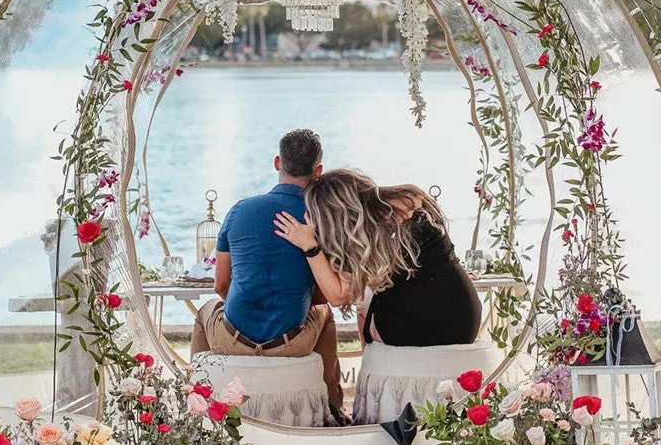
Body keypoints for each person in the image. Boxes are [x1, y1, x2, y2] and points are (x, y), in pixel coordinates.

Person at [190, 128, 346, 422]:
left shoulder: (240, 211)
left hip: (234, 338)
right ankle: (334, 406)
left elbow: (221, 285)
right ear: (319, 172)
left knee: (204, 313)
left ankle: (196, 401)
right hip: (291, 343)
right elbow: (327, 290)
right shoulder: (321, 218)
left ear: (278, 163)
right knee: (325, 315)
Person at [272, 169, 481, 348]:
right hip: (466, 316)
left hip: (419, 330)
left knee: (364, 306)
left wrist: (310, 246)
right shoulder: (411, 196)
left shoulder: (355, 236)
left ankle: (371, 380)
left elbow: (338, 297)